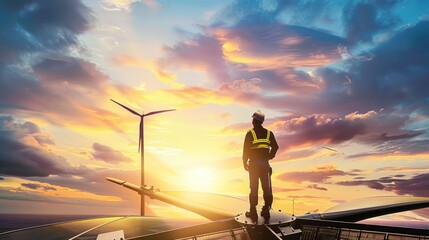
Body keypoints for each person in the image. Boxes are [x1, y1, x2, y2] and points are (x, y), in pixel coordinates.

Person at [242, 110, 279, 220]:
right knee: (266, 188)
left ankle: (253, 211)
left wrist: (245, 162)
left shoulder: (250, 133)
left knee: (254, 187)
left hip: (253, 164)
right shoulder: (269, 133)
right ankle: (266, 210)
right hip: (264, 163)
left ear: (254, 121)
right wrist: (269, 157)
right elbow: (276, 147)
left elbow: (246, 150)